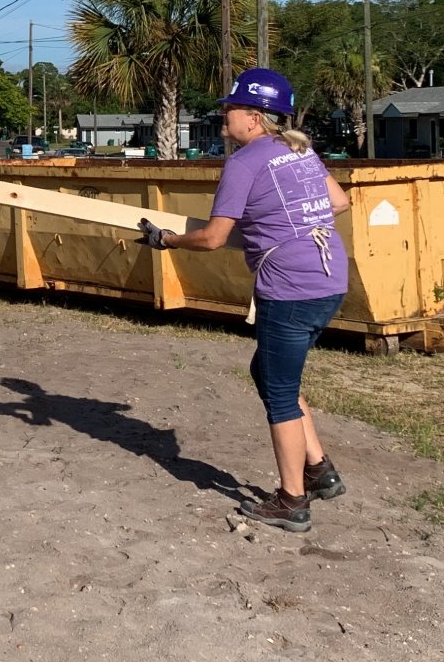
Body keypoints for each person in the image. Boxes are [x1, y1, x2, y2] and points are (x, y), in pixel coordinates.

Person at [137, 68, 351, 533]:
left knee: (279, 394)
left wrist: (168, 241)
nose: (222, 117)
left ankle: (293, 499)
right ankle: (320, 469)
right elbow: (339, 202)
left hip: (290, 288)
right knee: (270, 371)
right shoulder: (299, 150)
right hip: (330, 278)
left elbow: (213, 238)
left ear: (254, 118)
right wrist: (277, 221)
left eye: (228, 109)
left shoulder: (245, 162)